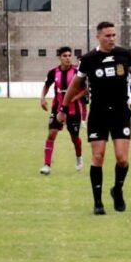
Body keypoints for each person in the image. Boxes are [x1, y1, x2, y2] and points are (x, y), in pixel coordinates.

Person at [57, 21, 131, 215]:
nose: (112, 39)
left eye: (114, 35)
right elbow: (75, 85)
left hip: (120, 112)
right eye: (108, 36)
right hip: (98, 113)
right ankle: (98, 202)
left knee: (122, 159)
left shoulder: (124, 54)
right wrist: (63, 108)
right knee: (98, 156)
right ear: (98, 37)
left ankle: (117, 190)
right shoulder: (88, 59)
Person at [39, 46, 86, 174]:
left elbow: (86, 89)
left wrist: (75, 97)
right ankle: (47, 165)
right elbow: (46, 85)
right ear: (59, 57)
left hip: (74, 110)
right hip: (57, 109)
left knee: (74, 138)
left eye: (69, 55)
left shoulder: (77, 72)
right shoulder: (53, 72)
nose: (68, 58)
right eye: (65, 56)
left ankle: (79, 157)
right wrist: (42, 98)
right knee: (51, 134)